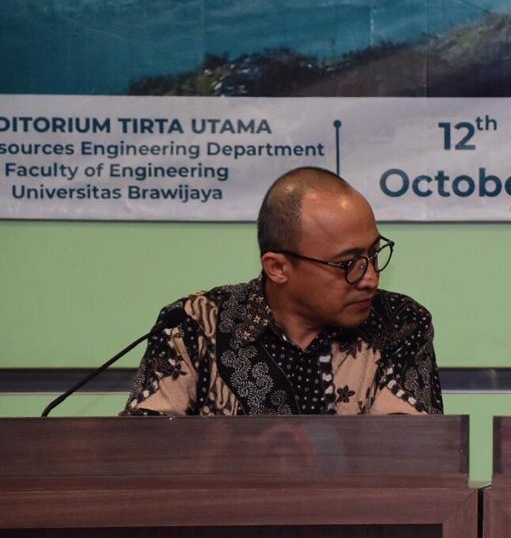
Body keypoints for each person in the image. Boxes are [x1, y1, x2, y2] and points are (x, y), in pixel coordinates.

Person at [123, 167, 443, 415]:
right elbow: (142, 455)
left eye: (374, 254)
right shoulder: (193, 325)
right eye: (348, 264)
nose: (371, 278)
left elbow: (406, 459)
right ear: (278, 268)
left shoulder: (399, 324)